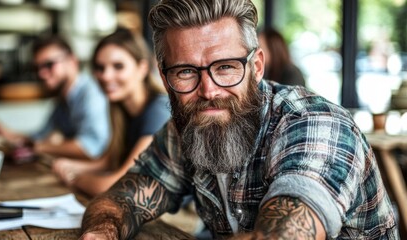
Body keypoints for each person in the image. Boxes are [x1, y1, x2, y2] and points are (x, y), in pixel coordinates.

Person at [80, 0, 398, 239]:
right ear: (166, 79)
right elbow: (121, 199)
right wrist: (101, 232)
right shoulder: (187, 128)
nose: (209, 90)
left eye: (226, 67)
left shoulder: (314, 123)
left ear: (256, 67)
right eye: (186, 72)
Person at [52, 28, 171, 196]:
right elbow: (108, 162)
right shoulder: (120, 109)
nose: (106, 76)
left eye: (118, 66)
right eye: (100, 68)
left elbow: (118, 186)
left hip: (182, 217)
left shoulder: (159, 111)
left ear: (142, 68)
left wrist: (76, 179)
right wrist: (71, 166)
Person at [0, 36, 111, 160]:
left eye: (49, 64)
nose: (41, 73)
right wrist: (1, 130)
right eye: (37, 68)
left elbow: (92, 147)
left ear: (72, 61)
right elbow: (38, 137)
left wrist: (39, 147)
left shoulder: (91, 94)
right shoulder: (63, 101)